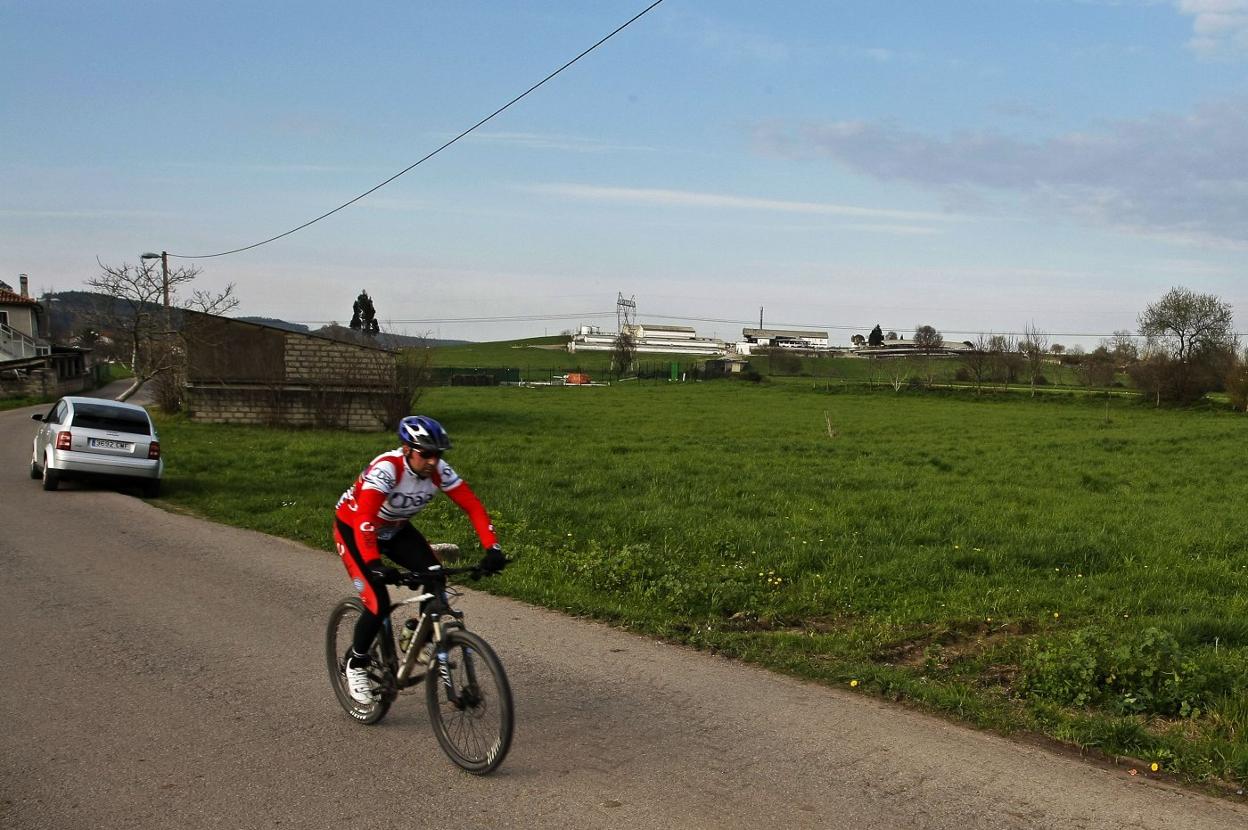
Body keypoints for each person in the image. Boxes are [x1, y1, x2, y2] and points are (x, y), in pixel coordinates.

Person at [333, 414, 507, 704]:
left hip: (396, 529)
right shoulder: (387, 470)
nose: (431, 461)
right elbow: (364, 518)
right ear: (406, 449)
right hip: (355, 530)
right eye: (425, 453)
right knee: (378, 603)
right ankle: (356, 663)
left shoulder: (439, 471)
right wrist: (375, 564)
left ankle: (419, 635)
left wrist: (493, 549)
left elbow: (473, 506)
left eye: (437, 454)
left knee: (435, 575)